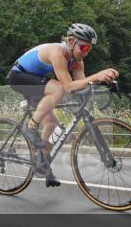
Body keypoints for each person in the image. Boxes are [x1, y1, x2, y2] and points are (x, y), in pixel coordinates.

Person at [7, 23, 119, 187]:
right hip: (18, 77)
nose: (86, 52)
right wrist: (97, 75)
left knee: (52, 124)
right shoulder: (57, 52)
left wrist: (103, 83)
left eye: (89, 49)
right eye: (84, 47)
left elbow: (80, 85)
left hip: (37, 82)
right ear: (71, 41)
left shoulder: (77, 61)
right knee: (58, 88)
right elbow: (67, 87)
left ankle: (41, 162)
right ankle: (30, 127)